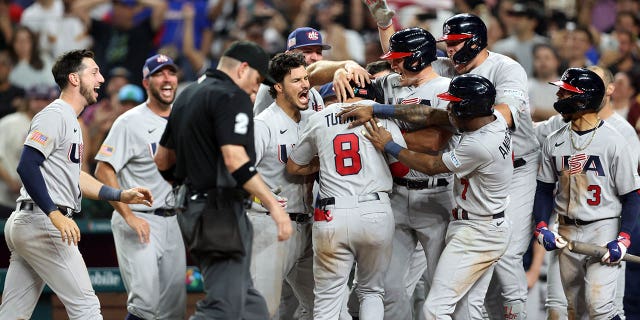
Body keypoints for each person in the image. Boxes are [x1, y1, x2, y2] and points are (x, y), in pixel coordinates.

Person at [340, 12, 537, 318]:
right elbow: (420, 90)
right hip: (456, 188)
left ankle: (517, 313)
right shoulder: (446, 69)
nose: (450, 50)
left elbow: (442, 147)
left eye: (457, 43)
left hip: (502, 171)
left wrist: (389, 139)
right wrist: (347, 67)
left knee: (499, 266)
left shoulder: (502, 75)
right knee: (415, 291)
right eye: (448, 43)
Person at [0, 49, 153, 319]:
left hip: (30, 221)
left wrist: (120, 194)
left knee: (13, 314)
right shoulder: (56, 114)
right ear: (73, 78)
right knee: (86, 308)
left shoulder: (71, 119)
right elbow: (26, 165)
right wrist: (54, 214)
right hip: (43, 221)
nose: (101, 78)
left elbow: (77, 177)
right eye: (94, 72)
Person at [154, 40, 293, 319]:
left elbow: (162, 159)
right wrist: (274, 206)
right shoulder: (232, 95)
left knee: (250, 305)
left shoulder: (187, 93)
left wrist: (189, 187)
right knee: (223, 309)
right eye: (256, 79)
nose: (257, 88)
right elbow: (234, 159)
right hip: (218, 213)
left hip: (193, 209)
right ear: (242, 69)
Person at [362, 74, 512, 319]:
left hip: (478, 232)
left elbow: (431, 165)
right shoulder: (490, 120)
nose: (449, 108)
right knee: (466, 308)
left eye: (454, 103)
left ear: (468, 108)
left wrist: (389, 144)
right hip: (485, 224)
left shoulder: (481, 143)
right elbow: (430, 114)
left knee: (435, 309)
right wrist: (376, 108)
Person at [286, 85, 406, 320]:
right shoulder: (378, 113)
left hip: (332, 213)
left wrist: (326, 163)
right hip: (375, 210)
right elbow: (402, 168)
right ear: (370, 96)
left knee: (327, 299)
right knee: (371, 291)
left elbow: (293, 166)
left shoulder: (319, 118)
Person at [533, 67, 640, 320]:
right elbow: (544, 189)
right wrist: (540, 226)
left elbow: (632, 194)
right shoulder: (554, 139)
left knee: (600, 307)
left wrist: (624, 238)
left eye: (565, 92)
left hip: (603, 228)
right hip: (566, 229)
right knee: (575, 311)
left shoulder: (614, 141)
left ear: (582, 99)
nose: (559, 96)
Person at [94, 54, 185, 320]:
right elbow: (103, 169)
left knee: (173, 310)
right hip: (139, 218)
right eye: (159, 74)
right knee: (144, 304)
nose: (167, 78)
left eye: (171, 72)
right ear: (146, 82)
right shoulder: (129, 121)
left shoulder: (183, 117)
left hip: (173, 220)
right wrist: (129, 215)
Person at [248, 52, 315, 319]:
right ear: (278, 86)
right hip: (270, 225)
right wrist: (262, 201)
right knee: (265, 310)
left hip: (308, 225)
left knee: (325, 306)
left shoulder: (312, 120)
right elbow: (240, 173)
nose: (305, 85)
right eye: (296, 80)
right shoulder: (263, 124)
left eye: (306, 78)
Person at [0, 84, 58, 218]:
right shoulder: (10, 122)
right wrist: (10, 181)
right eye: (36, 99)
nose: (40, 103)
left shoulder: (53, 125)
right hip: (6, 198)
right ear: (28, 101)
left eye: (45, 99)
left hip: (41, 200)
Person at [253, 26, 331, 116]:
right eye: (307, 51)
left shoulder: (315, 95)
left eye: (319, 52)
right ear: (289, 55)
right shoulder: (275, 83)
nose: (315, 58)